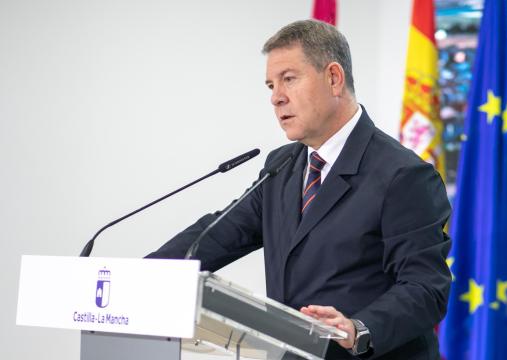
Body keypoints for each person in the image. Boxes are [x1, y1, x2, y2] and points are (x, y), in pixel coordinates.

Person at [147, 19, 451, 359]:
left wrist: (358, 328)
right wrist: (139, 276)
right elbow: (216, 235)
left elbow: (426, 288)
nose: (276, 98)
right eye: (270, 85)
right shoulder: (281, 167)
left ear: (334, 78)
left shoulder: (403, 175)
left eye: (289, 79)